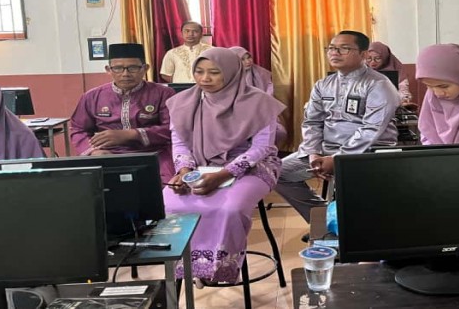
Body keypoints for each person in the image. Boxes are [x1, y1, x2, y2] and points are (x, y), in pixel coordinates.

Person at [163, 48, 286, 283]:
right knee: (170, 204)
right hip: (201, 165)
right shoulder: (182, 102)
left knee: (231, 208)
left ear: (231, 72)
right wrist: (185, 172)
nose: (205, 79)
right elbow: (179, 143)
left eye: (214, 72)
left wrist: (224, 174)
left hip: (253, 166)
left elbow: (261, 148)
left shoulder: (259, 102)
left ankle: (219, 267)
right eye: (199, 72)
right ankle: (189, 266)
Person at [275, 30, 401, 222]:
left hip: (367, 152)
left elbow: (372, 129)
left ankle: (352, 225)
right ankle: (325, 221)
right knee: (278, 172)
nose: (335, 52)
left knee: (351, 188)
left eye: (344, 48)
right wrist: (313, 153)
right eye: (332, 48)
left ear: (363, 54)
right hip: (326, 150)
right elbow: (312, 122)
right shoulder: (323, 85)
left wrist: (338, 158)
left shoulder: (378, 84)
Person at [70, 43, 176, 181]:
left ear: (145, 68)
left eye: (133, 68)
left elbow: (173, 130)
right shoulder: (92, 96)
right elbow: (78, 129)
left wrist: (132, 134)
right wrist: (94, 151)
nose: (125, 74)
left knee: (169, 186)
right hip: (108, 154)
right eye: (118, 68)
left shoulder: (164, 93)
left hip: (155, 153)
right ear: (108, 69)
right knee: (91, 188)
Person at [366, 41, 414, 106]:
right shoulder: (362, 69)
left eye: (377, 58)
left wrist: (404, 99)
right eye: (369, 58)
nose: (373, 62)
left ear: (385, 58)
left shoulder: (396, 67)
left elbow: (403, 89)